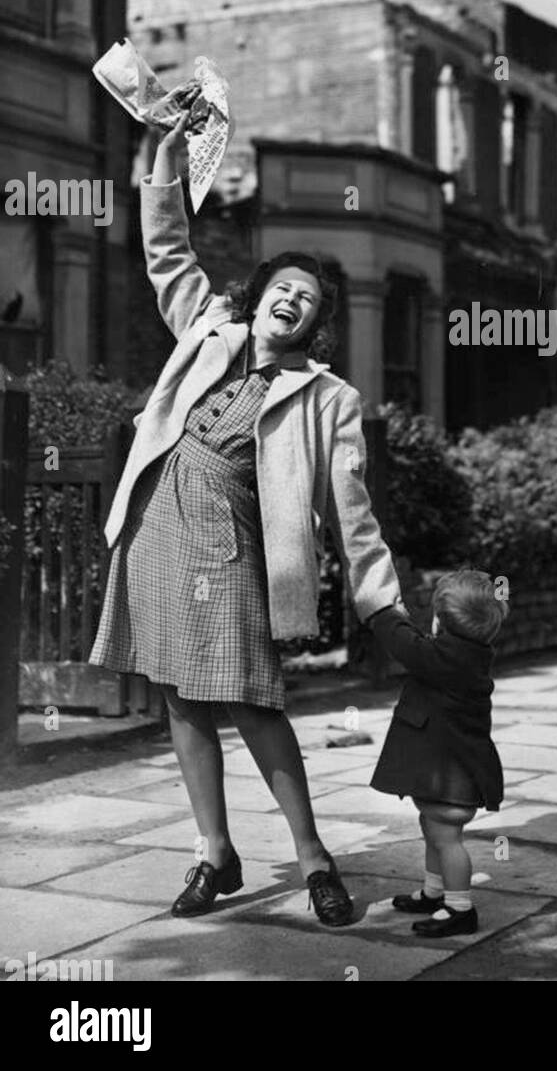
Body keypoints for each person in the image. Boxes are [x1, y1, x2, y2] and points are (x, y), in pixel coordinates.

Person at [89, 105, 402, 927]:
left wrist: (381, 602)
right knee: (182, 701)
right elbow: (165, 252)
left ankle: (313, 858)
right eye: (283, 288)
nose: (292, 301)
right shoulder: (207, 331)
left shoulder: (329, 398)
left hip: (230, 552)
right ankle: (214, 854)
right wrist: (164, 158)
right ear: (258, 298)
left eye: (309, 299)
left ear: (315, 323)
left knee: (254, 703)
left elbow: (351, 507)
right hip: (158, 528)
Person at [366, 569, 508, 938]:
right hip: (453, 777)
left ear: (439, 622)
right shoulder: (467, 656)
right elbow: (419, 645)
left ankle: (460, 908)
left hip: (454, 784)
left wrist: (381, 612)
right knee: (433, 831)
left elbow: (405, 644)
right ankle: (434, 891)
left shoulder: (445, 658)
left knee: (446, 839)